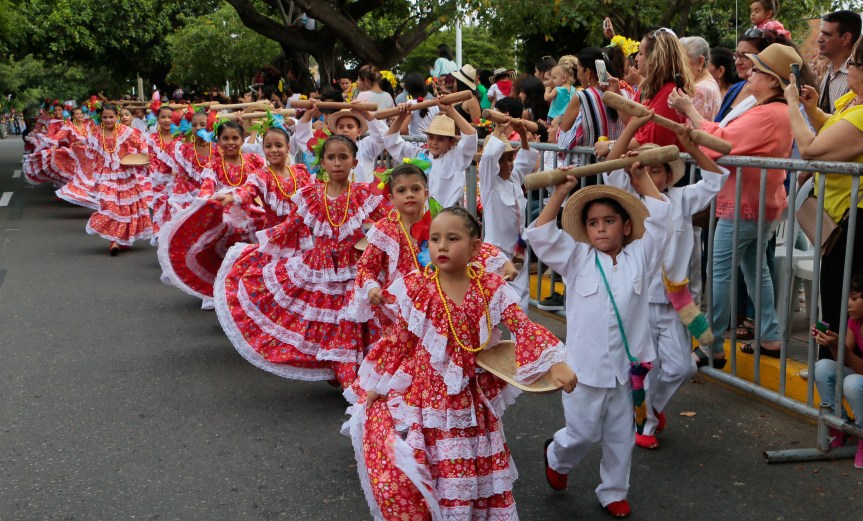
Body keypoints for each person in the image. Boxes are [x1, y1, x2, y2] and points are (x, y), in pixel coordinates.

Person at [343, 207, 577, 521]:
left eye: (452, 239)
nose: (441, 246)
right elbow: (401, 342)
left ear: (475, 247)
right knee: (436, 471)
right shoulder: (417, 287)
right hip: (428, 398)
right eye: (435, 239)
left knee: (470, 472)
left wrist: (554, 364)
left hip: (471, 401)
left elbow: (522, 326)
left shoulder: (490, 288)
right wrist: (379, 386)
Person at [528, 154, 670, 519]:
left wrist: (640, 179)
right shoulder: (576, 258)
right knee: (582, 433)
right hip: (585, 369)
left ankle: (613, 491)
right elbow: (541, 235)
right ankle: (556, 457)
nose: (601, 229)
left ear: (626, 225)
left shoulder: (641, 256)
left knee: (622, 435)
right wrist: (561, 192)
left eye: (609, 221)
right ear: (585, 230)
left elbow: (661, 220)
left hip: (629, 369)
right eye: (593, 223)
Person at [214, 135, 392, 388]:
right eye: (331, 157)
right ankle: (339, 371)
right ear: (323, 163)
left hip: (354, 270)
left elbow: (389, 222)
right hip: (319, 269)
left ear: (354, 162)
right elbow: (292, 225)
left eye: (343, 157)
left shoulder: (364, 194)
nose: (337, 163)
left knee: (353, 321)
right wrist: (261, 247)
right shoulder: (311, 195)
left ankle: (350, 375)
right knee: (327, 322)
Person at [604, 113, 729, 449]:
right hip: (638, 301)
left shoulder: (681, 199)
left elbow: (716, 179)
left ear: (669, 175)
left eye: (656, 170)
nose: (649, 176)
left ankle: (651, 409)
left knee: (682, 368)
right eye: (643, 170)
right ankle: (642, 425)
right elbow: (611, 167)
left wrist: (692, 146)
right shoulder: (627, 202)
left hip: (674, 303)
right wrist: (631, 127)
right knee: (645, 365)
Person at [670, 43, 800, 362]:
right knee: (756, 271)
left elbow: (721, 141)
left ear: (773, 80)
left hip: (746, 203)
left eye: (756, 70)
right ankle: (770, 335)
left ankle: (711, 345)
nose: (749, 73)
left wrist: (690, 111)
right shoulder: (772, 109)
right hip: (758, 202)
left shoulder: (768, 113)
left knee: (721, 272)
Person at [786, 36, 863, 360]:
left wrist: (792, 105)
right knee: (832, 298)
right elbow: (833, 128)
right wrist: (812, 110)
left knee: (840, 302)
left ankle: (835, 373)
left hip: (853, 222)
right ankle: (830, 371)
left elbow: (811, 149)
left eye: (853, 63)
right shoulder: (852, 101)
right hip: (840, 217)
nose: (848, 68)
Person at [158, 120, 265, 309]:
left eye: (235, 138)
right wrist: (206, 201)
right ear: (218, 141)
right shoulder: (214, 164)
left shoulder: (253, 161)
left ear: (242, 140)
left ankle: (246, 288)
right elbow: (207, 186)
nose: (230, 142)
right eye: (225, 138)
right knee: (219, 250)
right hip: (224, 210)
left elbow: (261, 183)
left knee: (252, 250)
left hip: (250, 210)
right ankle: (215, 289)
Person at [595, 28, 694, 158]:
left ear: (654, 59)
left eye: (641, 54)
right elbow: (632, 124)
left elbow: (651, 142)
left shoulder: (669, 94)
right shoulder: (647, 89)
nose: (636, 58)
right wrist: (616, 94)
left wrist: (611, 146)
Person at [479, 119, 539, 312]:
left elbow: (526, 159)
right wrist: (499, 128)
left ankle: (520, 332)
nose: (507, 165)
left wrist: (522, 135)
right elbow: (488, 158)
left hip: (519, 249)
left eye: (510, 159)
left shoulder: (514, 178)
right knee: (492, 302)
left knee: (521, 299)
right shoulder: (489, 183)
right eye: (501, 160)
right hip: (496, 251)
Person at [84, 103, 153, 255]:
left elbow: (141, 145)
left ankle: (118, 239)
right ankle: (114, 240)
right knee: (109, 206)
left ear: (117, 117)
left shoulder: (125, 131)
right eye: (105, 117)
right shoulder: (96, 133)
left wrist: (148, 158)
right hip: (105, 175)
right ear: (101, 117)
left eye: (111, 117)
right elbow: (91, 153)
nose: (108, 120)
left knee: (125, 209)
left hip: (124, 174)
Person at [811, 271, 863, 469]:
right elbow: (843, 362)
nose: (849, 304)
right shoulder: (854, 321)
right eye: (848, 298)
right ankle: (838, 424)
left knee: (852, 383)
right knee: (822, 367)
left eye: (854, 299)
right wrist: (833, 343)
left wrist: (842, 348)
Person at [384, 104, 478, 208]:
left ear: (451, 142)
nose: (434, 143)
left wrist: (451, 110)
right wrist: (402, 116)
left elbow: (470, 138)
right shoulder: (419, 155)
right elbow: (391, 141)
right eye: (431, 138)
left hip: (447, 214)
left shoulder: (456, 158)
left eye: (440, 139)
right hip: (421, 214)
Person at [292, 102, 386, 183]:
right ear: (336, 131)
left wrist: (366, 113)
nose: (345, 130)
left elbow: (382, 137)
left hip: (362, 197)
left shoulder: (366, 147)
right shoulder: (327, 147)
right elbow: (305, 140)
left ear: (359, 131)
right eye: (341, 127)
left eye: (350, 127)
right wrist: (308, 113)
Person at [817, 11, 863, 113]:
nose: (819, 39)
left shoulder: (856, 77)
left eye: (827, 35)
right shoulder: (829, 70)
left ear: (846, 38)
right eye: (821, 33)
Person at [680, 36, 723, 121]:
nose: (679, 67)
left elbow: (691, 127)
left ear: (700, 61)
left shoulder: (700, 90)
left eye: (683, 62)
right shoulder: (709, 84)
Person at [545, 57, 576, 123]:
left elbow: (547, 98)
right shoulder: (573, 89)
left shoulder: (557, 89)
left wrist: (547, 90)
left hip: (553, 116)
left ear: (563, 78)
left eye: (554, 78)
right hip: (565, 116)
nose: (553, 80)